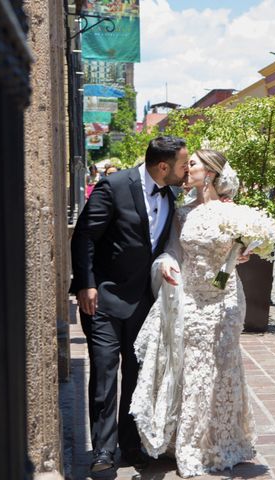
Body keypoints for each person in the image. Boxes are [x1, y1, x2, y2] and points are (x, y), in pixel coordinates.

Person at [131, 149, 256, 478]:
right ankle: (188, 442)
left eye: (194, 164)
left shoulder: (234, 213)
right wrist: (168, 265)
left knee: (221, 366)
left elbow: (245, 247)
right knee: (192, 368)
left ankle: (222, 440)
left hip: (224, 298)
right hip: (189, 297)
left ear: (211, 173)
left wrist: (244, 252)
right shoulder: (180, 211)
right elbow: (171, 250)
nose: (187, 169)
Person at [70, 136, 189, 472]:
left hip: (144, 302)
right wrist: (86, 284)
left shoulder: (171, 194)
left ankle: (130, 443)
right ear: (163, 166)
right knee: (105, 372)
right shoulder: (114, 185)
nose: (185, 170)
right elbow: (85, 236)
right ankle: (103, 452)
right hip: (104, 298)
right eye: (183, 164)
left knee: (137, 374)